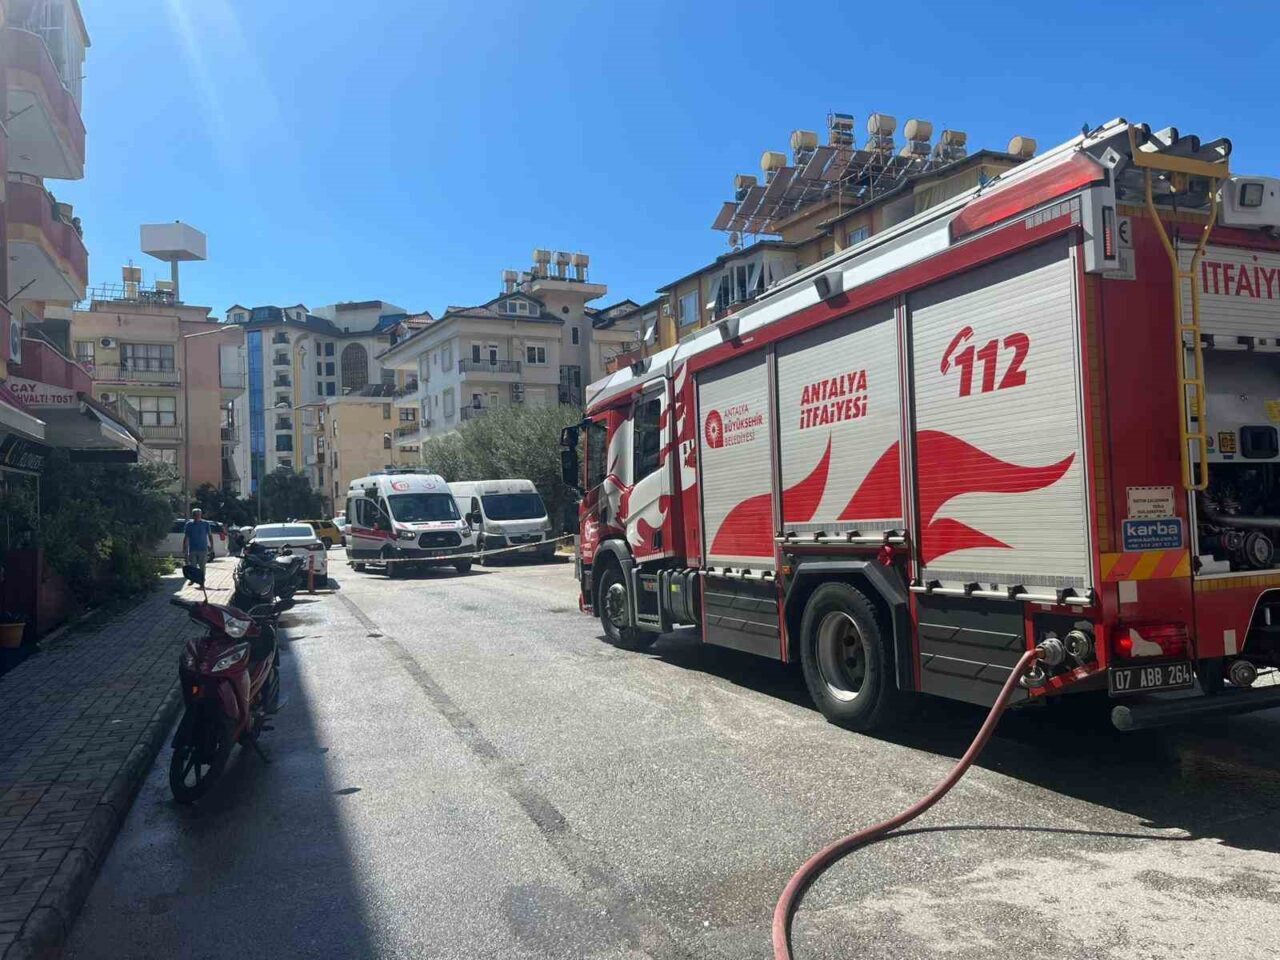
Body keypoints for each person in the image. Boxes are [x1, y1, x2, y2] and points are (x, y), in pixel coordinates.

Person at [181, 508, 212, 576]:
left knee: (202, 566)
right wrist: (184, 548)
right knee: (193, 566)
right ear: (193, 515)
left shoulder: (205, 524)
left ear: (201, 515)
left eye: (199, 514)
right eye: (195, 515)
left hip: (203, 549)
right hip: (193, 549)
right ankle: (194, 579)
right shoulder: (189, 524)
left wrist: (211, 546)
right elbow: (186, 537)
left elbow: (210, 535)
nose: (197, 516)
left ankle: (202, 580)